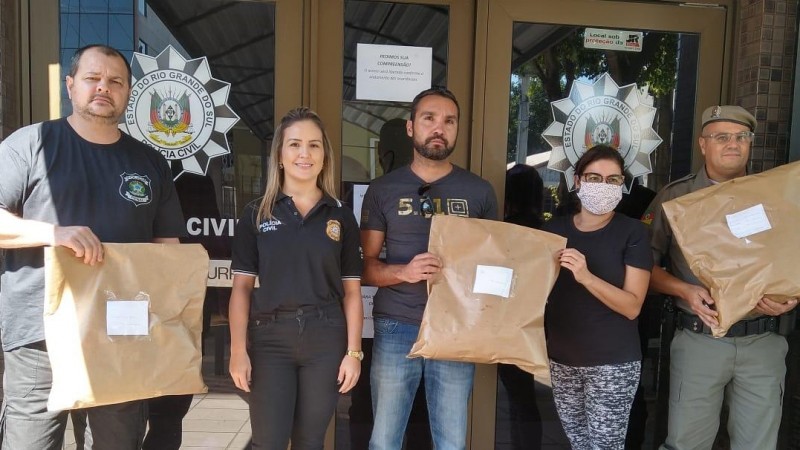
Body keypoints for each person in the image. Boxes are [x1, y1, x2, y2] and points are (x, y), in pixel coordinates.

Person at [0, 44, 184, 449]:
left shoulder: (150, 163)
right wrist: (54, 234)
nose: (104, 87)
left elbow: (167, 251)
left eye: (115, 81)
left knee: (120, 443)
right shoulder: (30, 145)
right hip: (39, 333)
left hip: (121, 334)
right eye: (92, 78)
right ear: (71, 85)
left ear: (128, 92)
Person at [642, 105, 798, 450]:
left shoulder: (774, 194)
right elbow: (642, 270)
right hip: (701, 340)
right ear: (702, 144)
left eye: (742, 137)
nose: (733, 144)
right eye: (722, 137)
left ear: (750, 143)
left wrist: (792, 298)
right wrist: (684, 289)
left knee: (758, 445)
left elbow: (793, 257)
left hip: (763, 341)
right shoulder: (675, 197)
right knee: (686, 443)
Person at [360, 87, 498, 450]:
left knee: (451, 442)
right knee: (385, 440)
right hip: (396, 325)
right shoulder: (383, 190)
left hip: (456, 329)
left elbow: (494, 266)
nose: (439, 128)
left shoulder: (479, 191)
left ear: (456, 130)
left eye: (448, 121)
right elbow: (365, 268)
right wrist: (404, 273)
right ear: (410, 128)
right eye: (429, 118)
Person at [228, 107, 364, 450]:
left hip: (325, 338)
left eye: (314, 145)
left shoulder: (341, 216)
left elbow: (351, 293)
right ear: (280, 155)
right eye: (295, 144)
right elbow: (242, 288)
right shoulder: (257, 213)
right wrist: (237, 350)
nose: (305, 153)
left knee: (309, 441)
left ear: (324, 156)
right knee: (268, 442)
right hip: (269, 340)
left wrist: (354, 352)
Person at [543, 145, 653, 449]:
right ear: (578, 181)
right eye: (594, 177)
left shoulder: (632, 233)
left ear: (622, 185)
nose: (603, 185)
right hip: (562, 360)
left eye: (613, 180)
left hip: (612, 364)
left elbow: (632, 306)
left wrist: (586, 277)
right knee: (579, 444)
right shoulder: (553, 231)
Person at [499, 163, 544, 449]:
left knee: (519, 399)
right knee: (524, 398)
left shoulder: (504, 230)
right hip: (538, 319)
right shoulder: (545, 230)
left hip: (508, 321)